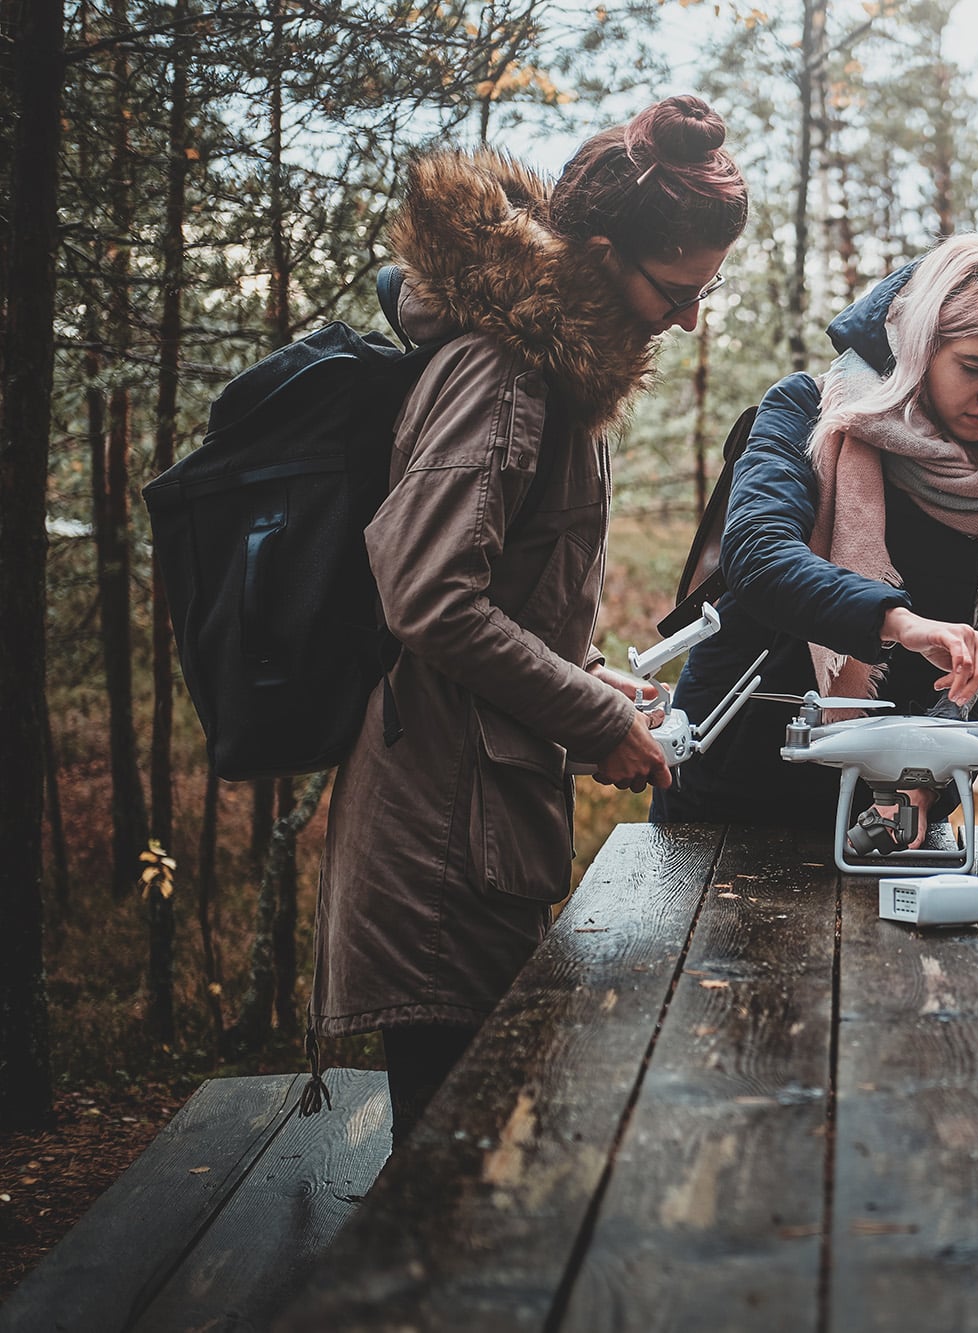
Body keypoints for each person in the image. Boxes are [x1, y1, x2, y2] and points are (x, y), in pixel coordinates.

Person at [310, 95, 749, 1146]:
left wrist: (588, 677)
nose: (690, 316)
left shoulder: (552, 376)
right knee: (450, 1175)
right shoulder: (501, 370)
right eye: (678, 289)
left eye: (707, 292)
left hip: (481, 821)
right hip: (436, 840)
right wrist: (593, 724)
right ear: (601, 256)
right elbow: (427, 594)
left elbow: (504, 592)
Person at [652, 233, 978, 842]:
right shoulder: (807, 410)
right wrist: (902, 623)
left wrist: (917, 792)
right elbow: (760, 555)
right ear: (919, 348)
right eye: (974, 368)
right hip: (734, 791)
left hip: (887, 815)